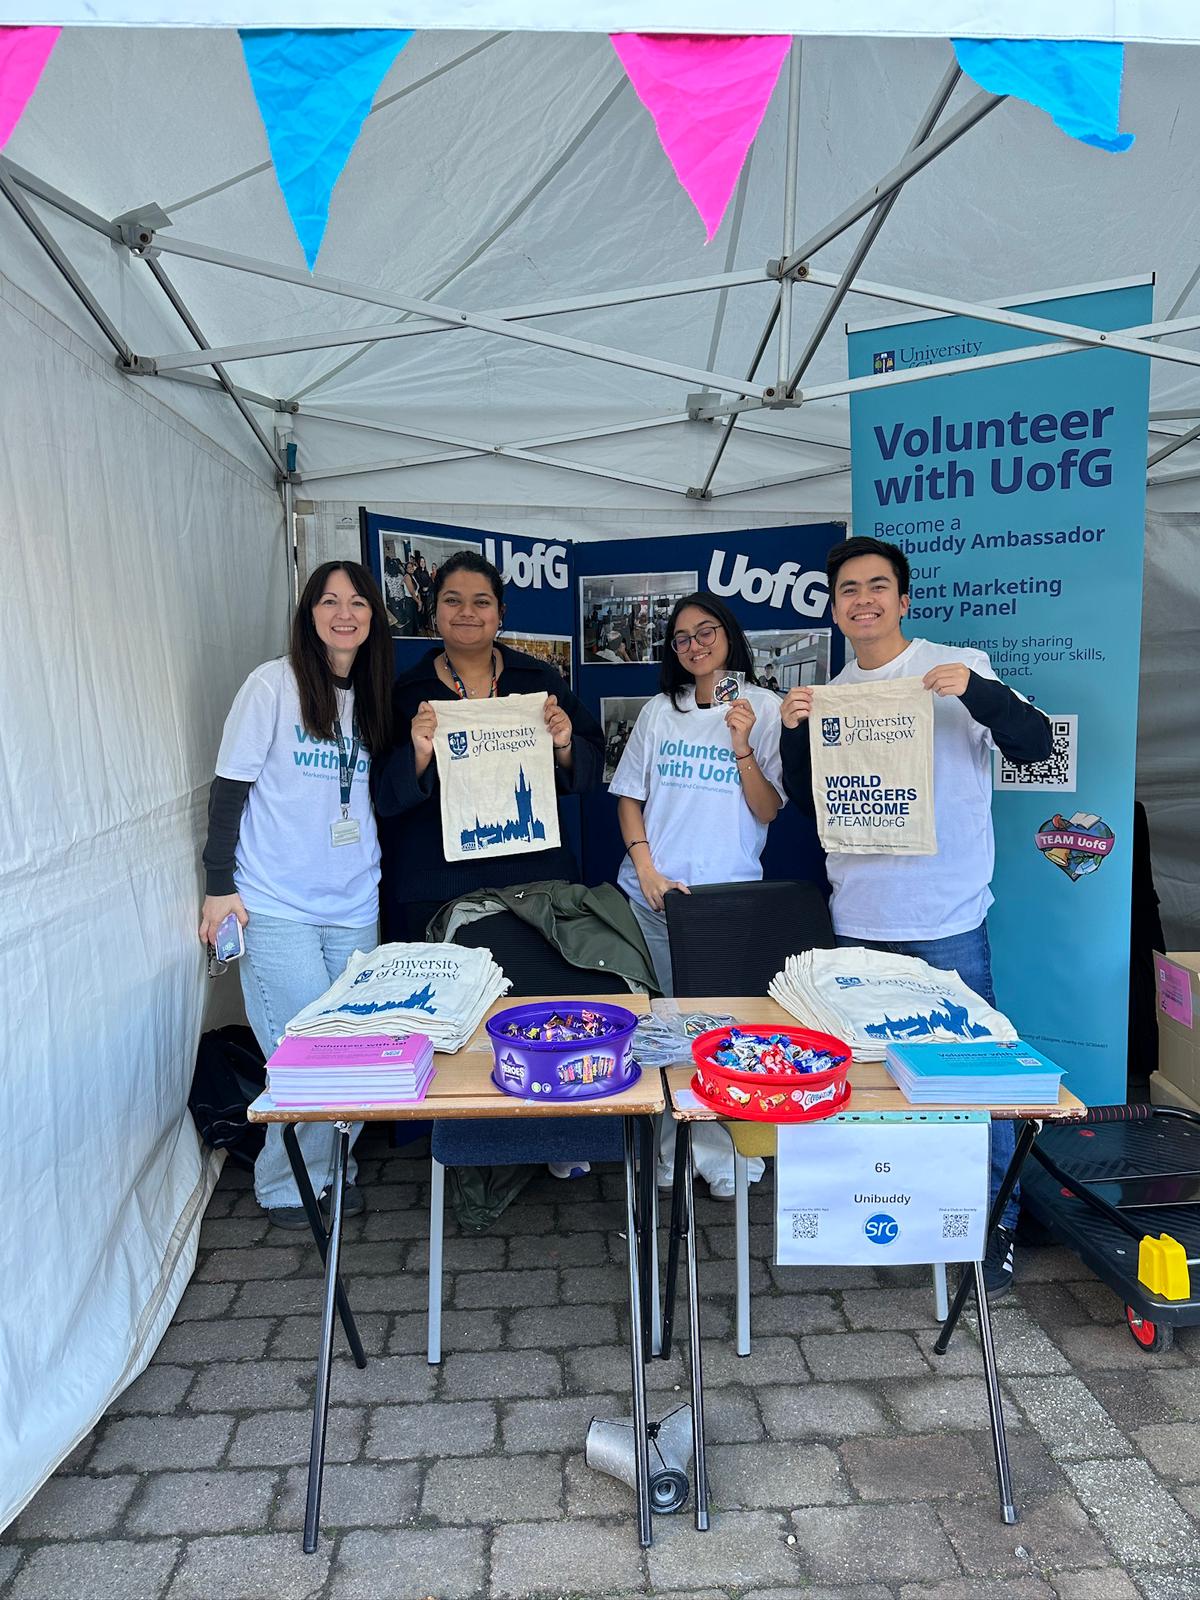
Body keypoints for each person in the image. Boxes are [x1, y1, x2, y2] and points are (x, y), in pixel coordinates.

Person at [778, 535, 1053, 1295]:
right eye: (847, 591)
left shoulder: (955, 665)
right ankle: (903, 1213)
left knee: (979, 1081)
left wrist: (976, 691)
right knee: (875, 1084)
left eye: (876, 587)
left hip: (947, 920)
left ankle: (995, 1225)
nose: (861, 600)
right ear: (835, 611)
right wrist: (796, 734)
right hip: (859, 918)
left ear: (903, 599)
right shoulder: (831, 693)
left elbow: (1035, 743)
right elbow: (813, 808)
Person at [198, 561, 394, 1227]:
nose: (346, 614)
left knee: (359, 1050)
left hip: (353, 904)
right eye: (330, 602)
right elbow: (229, 795)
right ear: (309, 613)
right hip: (276, 904)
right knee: (304, 1055)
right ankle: (286, 1185)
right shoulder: (271, 686)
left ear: (373, 616)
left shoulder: (370, 693)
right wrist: (217, 888)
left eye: (358, 602)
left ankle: (333, 1166)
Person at [609, 591, 785, 1199]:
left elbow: (769, 808)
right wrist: (648, 871)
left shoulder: (764, 707)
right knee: (661, 1028)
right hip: (653, 898)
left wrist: (742, 745)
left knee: (722, 1033)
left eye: (705, 631)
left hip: (726, 904)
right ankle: (669, 1147)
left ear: (729, 634)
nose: (695, 645)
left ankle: (721, 1150)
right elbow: (628, 796)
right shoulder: (662, 709)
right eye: (682, 637)